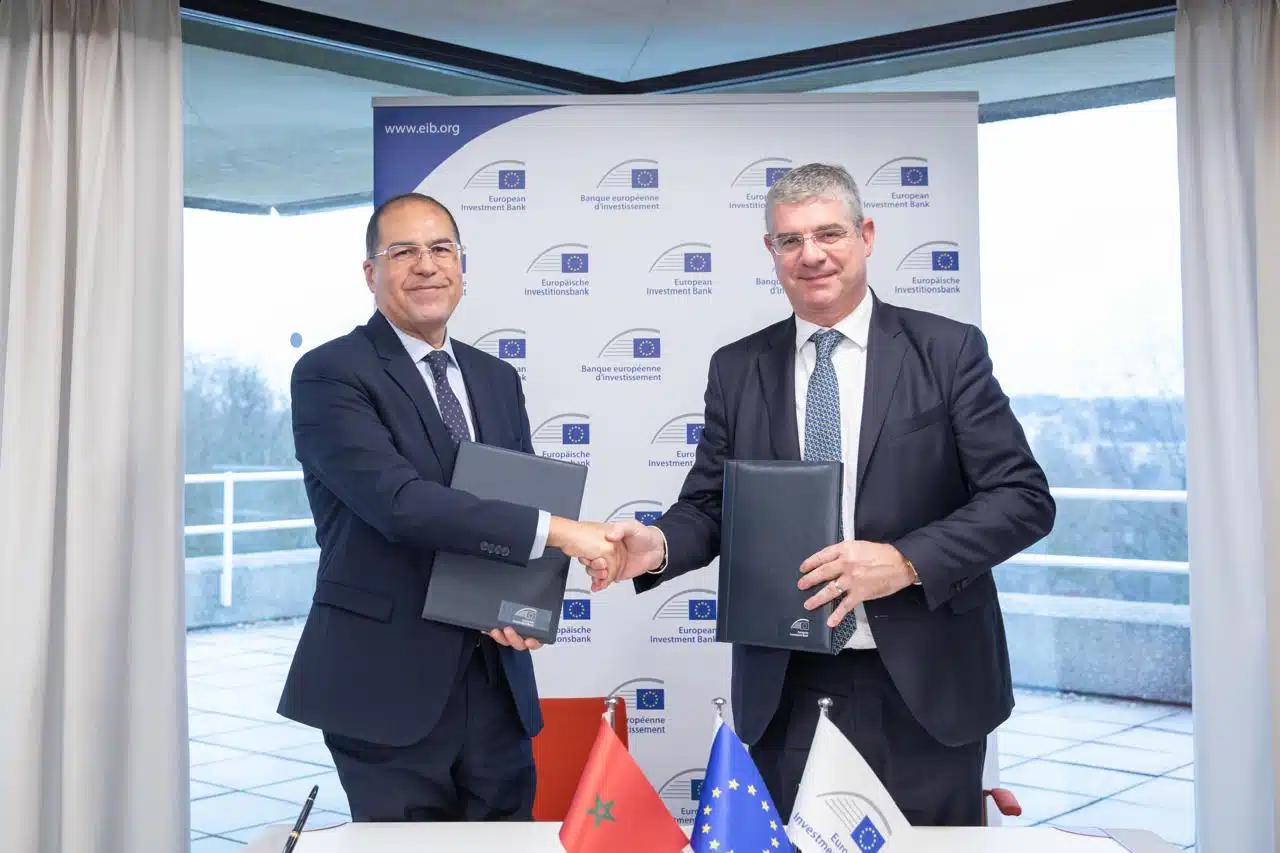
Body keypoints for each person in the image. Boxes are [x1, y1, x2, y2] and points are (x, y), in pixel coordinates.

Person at [588, 163, 1055, 826]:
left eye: (829, 233)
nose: (811, 254)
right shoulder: (737, 368)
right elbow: (712, 507)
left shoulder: (947, 351)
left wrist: (906, 561)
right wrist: (658, 544)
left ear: (866, 235)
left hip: (926, 685)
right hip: (788, 687)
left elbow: (1022, 497)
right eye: (791, 240)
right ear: (771, 251)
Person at [277, 192, 625, 823]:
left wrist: (527, 603)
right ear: (370, 272)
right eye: (403, 251)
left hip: (497, 681)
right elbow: (401, 505)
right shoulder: (330, 374)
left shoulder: (496, 378)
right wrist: (565, 533)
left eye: (441, 248)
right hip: (385, 687)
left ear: (462, 266)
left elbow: (522, 497)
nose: (426, 265)